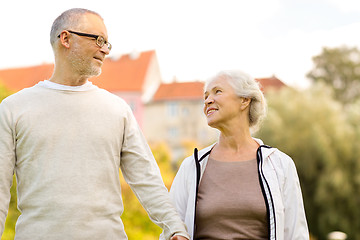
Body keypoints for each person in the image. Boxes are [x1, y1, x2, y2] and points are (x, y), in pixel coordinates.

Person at [0, 8, 189, 240]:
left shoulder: (118, 110)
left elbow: (147, 179)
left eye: (108, 43)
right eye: (98, 40)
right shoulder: (13, 108)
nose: (105, 50)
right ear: (66, 38)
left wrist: (175, 228)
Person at [163, 70, 309, 239]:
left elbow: (296, 234)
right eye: (206, 96)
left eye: (217, 91)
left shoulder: (280, 165)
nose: (208, 101)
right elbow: (171, 226)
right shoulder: (192, 166)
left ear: (244, 100)